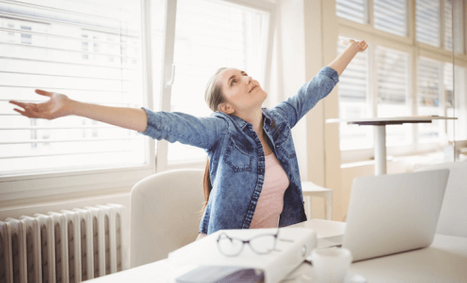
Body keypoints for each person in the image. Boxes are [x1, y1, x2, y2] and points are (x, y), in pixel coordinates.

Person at [10, 39, 368, 240]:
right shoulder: (221, 131)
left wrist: (352, 48)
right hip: (226, 257)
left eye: (244, 73)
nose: (246, 78)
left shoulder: (278, 122)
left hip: (276, 250)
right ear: (226, 106)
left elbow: (316, 87)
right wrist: (72, 106)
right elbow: (161, 123)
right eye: (234, 81)